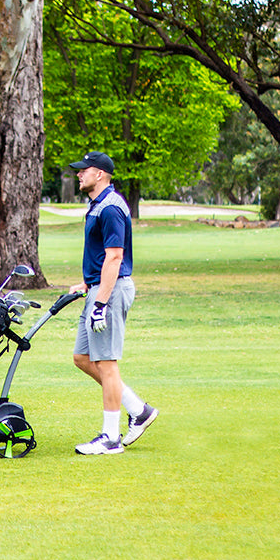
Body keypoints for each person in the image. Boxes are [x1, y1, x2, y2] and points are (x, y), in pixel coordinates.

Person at [67, 151, 157, 455]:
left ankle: (110, 438)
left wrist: (100, 303)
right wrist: (88, 283)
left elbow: (115, 256)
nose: (79, 174)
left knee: (107, 363)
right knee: (82, 357)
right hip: (98, 289)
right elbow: (100, 254)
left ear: (101, 174)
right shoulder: (96, 205)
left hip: (111, 292)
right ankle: (139, 410)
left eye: (84, 170)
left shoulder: (111, 208)